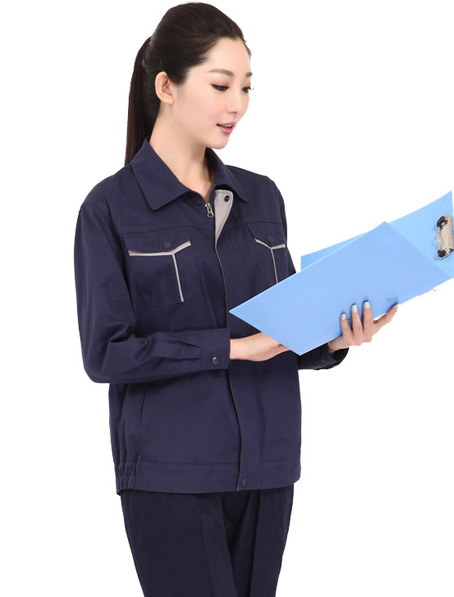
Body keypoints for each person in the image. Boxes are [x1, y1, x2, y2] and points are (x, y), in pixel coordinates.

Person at [74, 3, 397, 596]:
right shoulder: (110, 209)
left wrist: (334, 339)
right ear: (166, 86)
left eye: (246, 87)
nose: (238, 105)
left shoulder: (260, 197)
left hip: (269, 465)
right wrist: (231, 348)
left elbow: (281, 331)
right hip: (172, 471)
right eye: (221, 86)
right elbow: (107, 354)